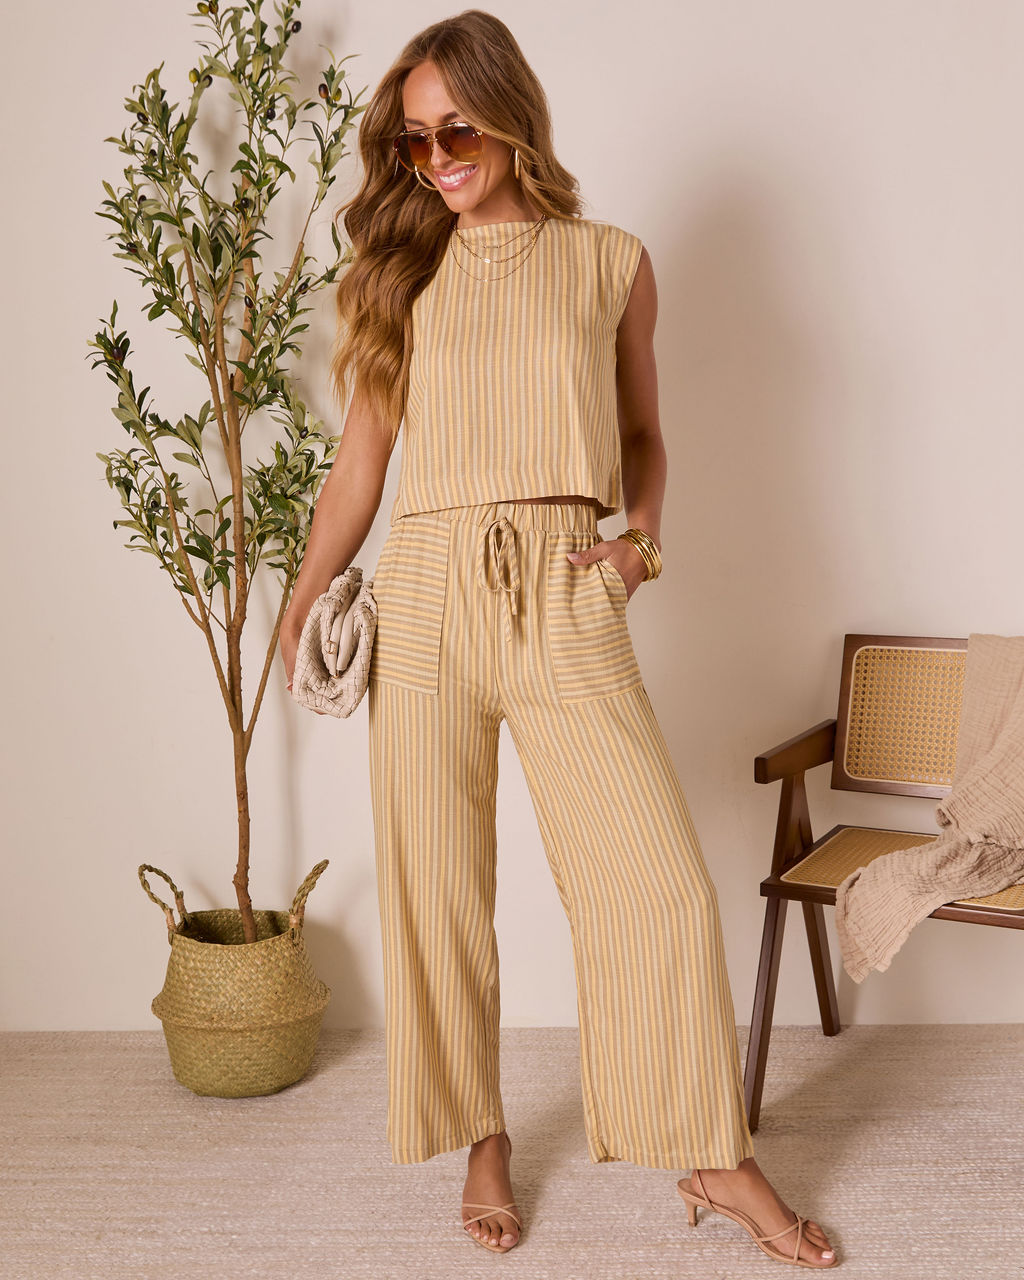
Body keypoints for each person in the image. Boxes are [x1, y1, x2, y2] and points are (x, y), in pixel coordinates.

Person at [280, 9, 837, 1270]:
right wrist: (302, 596)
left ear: (511, 116)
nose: (436, 159)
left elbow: (643, 435)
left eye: (457, 131)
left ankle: (709, 1150)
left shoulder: (610, 262)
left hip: (564, 584)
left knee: (658, 885)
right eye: (414, 142)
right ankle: (482, 1136)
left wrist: (641, 544)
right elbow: (360, 463)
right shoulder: (399, 276)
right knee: (439, 889)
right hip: (426, 591)